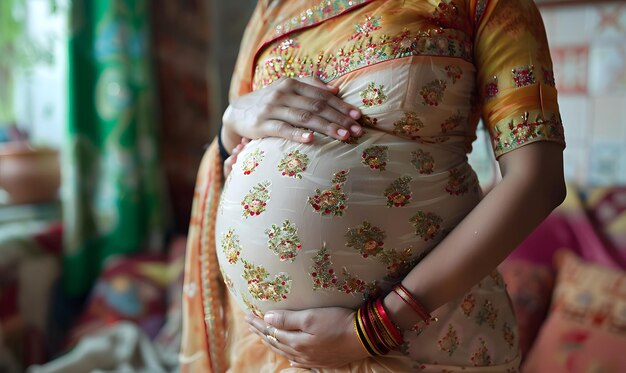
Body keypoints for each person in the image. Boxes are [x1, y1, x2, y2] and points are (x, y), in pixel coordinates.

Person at [180, 0, 566, 371]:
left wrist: (376, 326)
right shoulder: (273, 9)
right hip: (274, 354)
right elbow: (238, 150)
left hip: (424, 337)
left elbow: (537, 181)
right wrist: (231, 123)